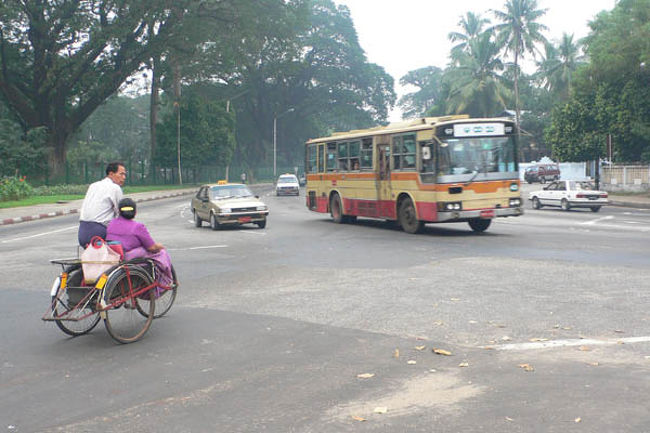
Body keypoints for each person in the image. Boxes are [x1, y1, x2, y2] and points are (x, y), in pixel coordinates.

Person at [106, 198, 173, 287]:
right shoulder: (138, 227)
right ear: (135, 212)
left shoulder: (111, 223)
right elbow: (151, 247)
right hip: (127, 257)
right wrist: (160, 246)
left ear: (119, 211)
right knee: (161, 253)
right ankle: (167, 281)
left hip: (113, 255)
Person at [78, 162, 126, 247]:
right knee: (126, 244)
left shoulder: (93, 185)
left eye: (124, 175)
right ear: (111, 174)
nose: (124, 177)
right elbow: (121, 213)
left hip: (82, 232)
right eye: (121, 174)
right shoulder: (115, 188)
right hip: (99, 233)